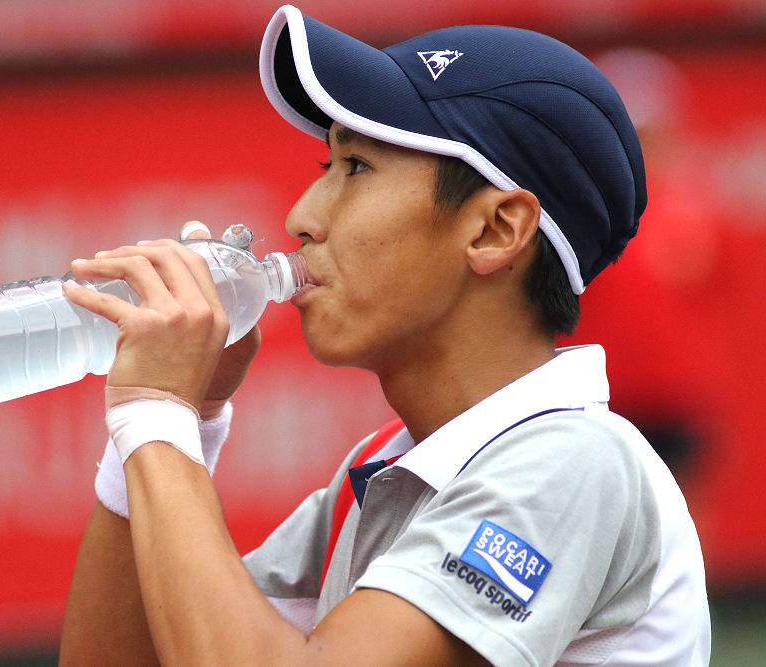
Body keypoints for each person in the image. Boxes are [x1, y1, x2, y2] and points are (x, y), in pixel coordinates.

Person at [58, 5, 711, 665]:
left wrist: (157, 416)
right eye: (327, 165)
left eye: (357, 167)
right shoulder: (381, 470)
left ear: (494, 231)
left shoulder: (571, 461)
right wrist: (183, 417)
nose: (301, 216)